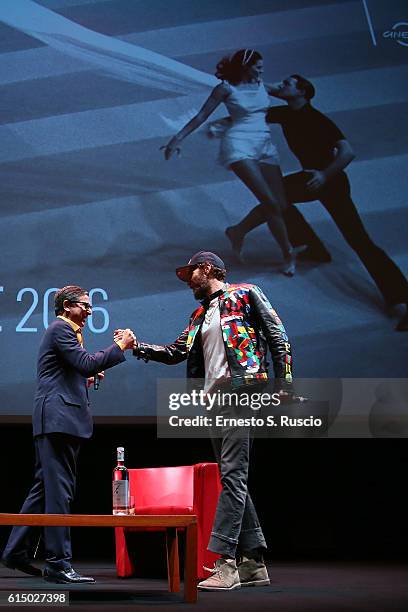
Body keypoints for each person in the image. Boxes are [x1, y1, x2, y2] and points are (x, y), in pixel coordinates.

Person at [130, 251, 293, 591]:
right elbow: (176, 352)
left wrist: (285, 384)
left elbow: (278, 337)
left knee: (232, 476)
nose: (188, 281)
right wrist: (138, 346)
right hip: (213, 402)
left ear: (206, 269)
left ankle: (225, 563)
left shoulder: (246, 294)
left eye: (190, 274)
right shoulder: (200, 314)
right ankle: (254, 563)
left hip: (242, 393)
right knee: (233, 477)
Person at [224, 74, 408, 331]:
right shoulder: (287, 113)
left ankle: (402, 299)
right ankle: (313, 247)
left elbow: (347, 152)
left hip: (330, 182)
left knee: (359, 240)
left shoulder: (318, 120)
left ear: (302, 92)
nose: (283, 84)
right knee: (277, 196)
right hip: (311, 177)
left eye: (289, 83)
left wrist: (324, 175)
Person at [1, 286, 136, 584]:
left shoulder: (68, 332)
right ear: (66, 306)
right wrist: (120, 347)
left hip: (60, 419)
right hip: (58, 421)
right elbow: (85, 362)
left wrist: (83, 378)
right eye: (85, 305)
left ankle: (16, 551)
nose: (90, 310)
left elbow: (73, 369)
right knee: (59, 492)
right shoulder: (61, 329)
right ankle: (58, 564)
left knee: (44, 489)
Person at [162, 49, 299, 276]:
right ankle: (288, 253)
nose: (262, 69)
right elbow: (201, 116)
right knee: (270, 202)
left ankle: (237, 232)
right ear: (245, 66)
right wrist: (176, 139)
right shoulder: (225, 89)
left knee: (280, 203)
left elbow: (291, 95)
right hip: (238, 146)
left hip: (264, 146)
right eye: (258, 66)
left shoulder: (262, 85)